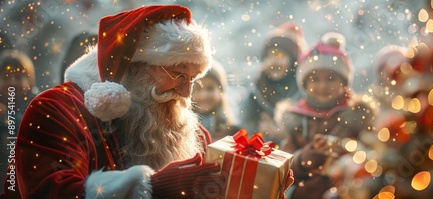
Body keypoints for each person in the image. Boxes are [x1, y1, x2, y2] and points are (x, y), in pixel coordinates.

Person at [0, 5, 296, 199]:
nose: (186, 94)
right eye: (178, 75)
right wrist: (150, 187)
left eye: (193, 79)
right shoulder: (57, 110)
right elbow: (51, 192)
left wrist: (262, 187)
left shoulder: (183, 126)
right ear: (134, 66)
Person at [278, 32, 375, 199]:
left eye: (331, 79)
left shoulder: (357, 116)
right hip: (306, 191)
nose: (323, 85)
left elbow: (373, 154)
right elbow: (284, 165)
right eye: (315, 79)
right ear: (305, 84)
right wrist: (306, 157)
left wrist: (345, 155)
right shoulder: (296, 119)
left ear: (343, 83)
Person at [238, 21, 308, 142]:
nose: (273, 62)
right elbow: (244, 121)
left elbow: (308, 125)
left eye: (280, 56)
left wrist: (287, 132)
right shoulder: (258, 88)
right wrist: (258, 131)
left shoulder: (301, 90)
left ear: (293, 61)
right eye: (269, 56)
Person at [0, 50, 38, 194]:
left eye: (18, 77)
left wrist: (5, 118)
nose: (12, 82)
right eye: (6, 77)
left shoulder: (36, 103)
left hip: (27, 169)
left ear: (30, 80)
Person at [192, 59, 240, 141]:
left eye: (210, 89)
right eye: (197, 89)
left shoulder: (232, 133)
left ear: (221, 91)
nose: (203, 95)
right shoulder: (179, 131)